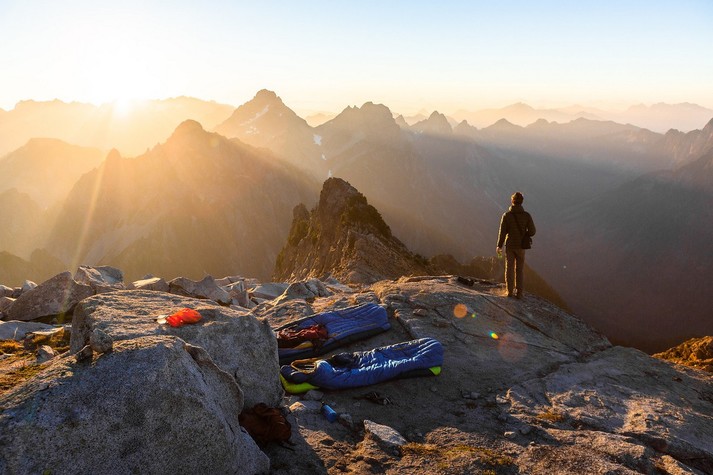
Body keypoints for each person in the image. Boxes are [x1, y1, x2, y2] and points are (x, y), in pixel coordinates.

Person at [496, 192, 536, 299]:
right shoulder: (527, 216)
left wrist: (499, 245)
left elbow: (502, 233)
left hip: (510, 246)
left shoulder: (507, 216)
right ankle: (519, 293)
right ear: (522, 201)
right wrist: (525, 234)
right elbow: (532, 231)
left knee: (509, 268)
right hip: (521, 246)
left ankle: (509, 291)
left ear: (512, 201)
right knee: (519, 270)